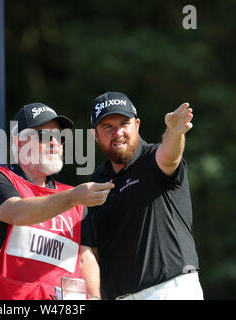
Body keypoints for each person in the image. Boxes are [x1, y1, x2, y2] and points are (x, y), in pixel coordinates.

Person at [0, 102, 114, 300]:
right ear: (19, 142)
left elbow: (84, 258)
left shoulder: (73, 199)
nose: (55, 143)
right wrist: (74, 197)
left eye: (59, 137)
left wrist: (94, 297)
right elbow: (17, 212)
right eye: (44, 136)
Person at [80, 91, 204, 300]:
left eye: (124, 123)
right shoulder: (95, 183)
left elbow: (169, 158)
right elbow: (90, 249)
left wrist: (174, 132)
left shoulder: (152, 159)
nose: (118, 132)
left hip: (169, 290)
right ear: (95, 135)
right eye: (107, 126)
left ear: (137, 125)